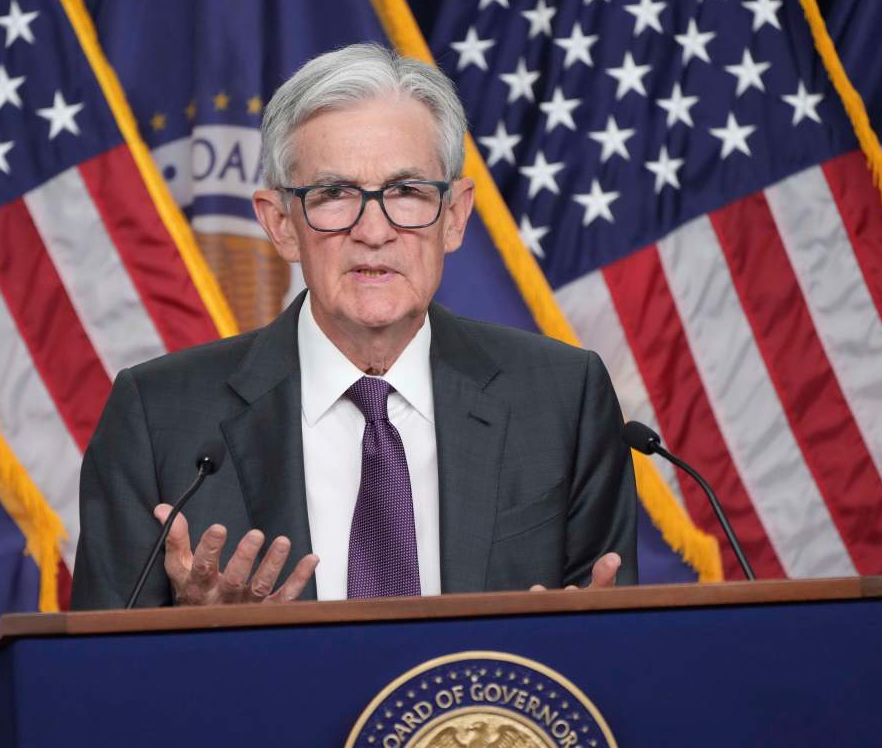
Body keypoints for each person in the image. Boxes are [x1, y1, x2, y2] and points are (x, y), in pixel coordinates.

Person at [70, 43, 636, 610]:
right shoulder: (157, 418)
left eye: (407, 192)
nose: (373, 230)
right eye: (334, 194)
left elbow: (614, 658)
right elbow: (98, 678)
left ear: (456, 216)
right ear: (282, 225)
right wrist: (195, 642)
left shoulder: (563, 397)